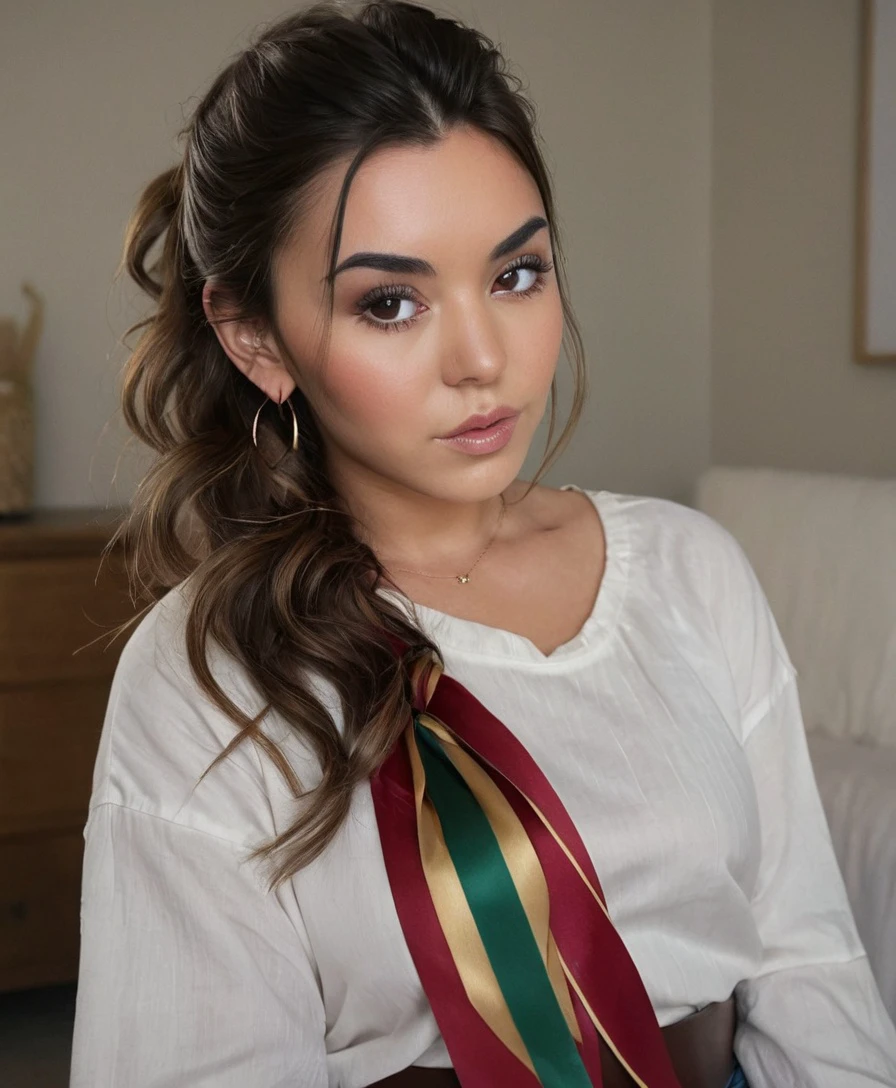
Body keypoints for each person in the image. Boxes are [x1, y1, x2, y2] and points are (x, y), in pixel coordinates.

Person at [69, 2, 896, 1086]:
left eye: (515, 275)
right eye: (391, 301)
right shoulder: (209, 672)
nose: (482, 359)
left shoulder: (690, 570)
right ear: (254, 337)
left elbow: (805, 960)